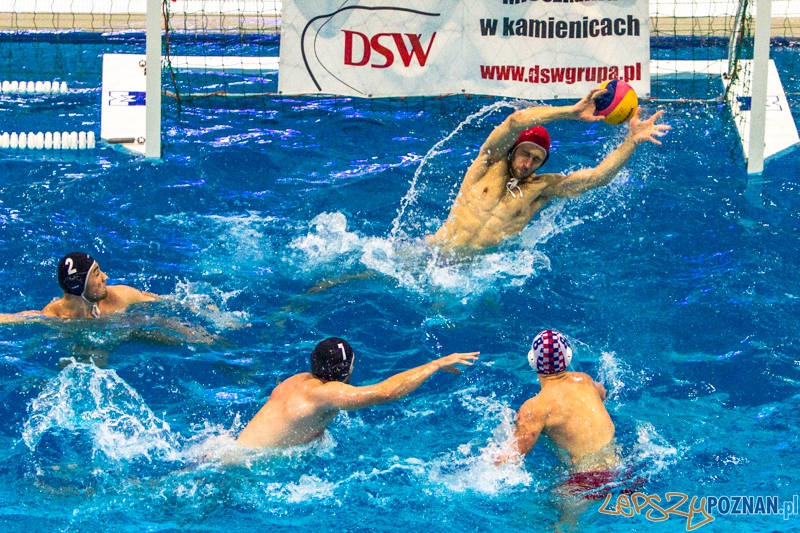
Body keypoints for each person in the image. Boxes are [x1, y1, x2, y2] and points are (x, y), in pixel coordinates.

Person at [427, 89, 671, 252]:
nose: (528, 163)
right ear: (513, 150)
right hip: (433, 251)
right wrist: (572, 112)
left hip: (471, 275)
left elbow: (598, 178)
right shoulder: (490, 162)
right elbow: (515, 121)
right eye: (525, 154)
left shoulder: (541, 189)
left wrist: (632, 140)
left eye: (537, 159)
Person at [236, 337, 479, 448]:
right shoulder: (327, 394)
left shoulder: (296, 380)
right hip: (247, 468)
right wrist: (435, 365)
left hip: (228, 451)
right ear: (346, 372)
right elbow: (387, 392)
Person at [497, 330, 624, 499]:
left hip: (588, 482)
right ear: (568, 357)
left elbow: (512, 457)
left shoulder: (535, 408)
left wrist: (488, 465)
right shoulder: (584, 380)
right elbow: (602, 393)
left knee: (547, 519)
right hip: (622, 468)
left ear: (532, 361)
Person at [0, 252, 158, 322]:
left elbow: (167, 302)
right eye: (96, 273)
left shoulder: (121, 295)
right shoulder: (56, 315)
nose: (105, 277)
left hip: (129, 330)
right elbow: (17, 318)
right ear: (78, 285)